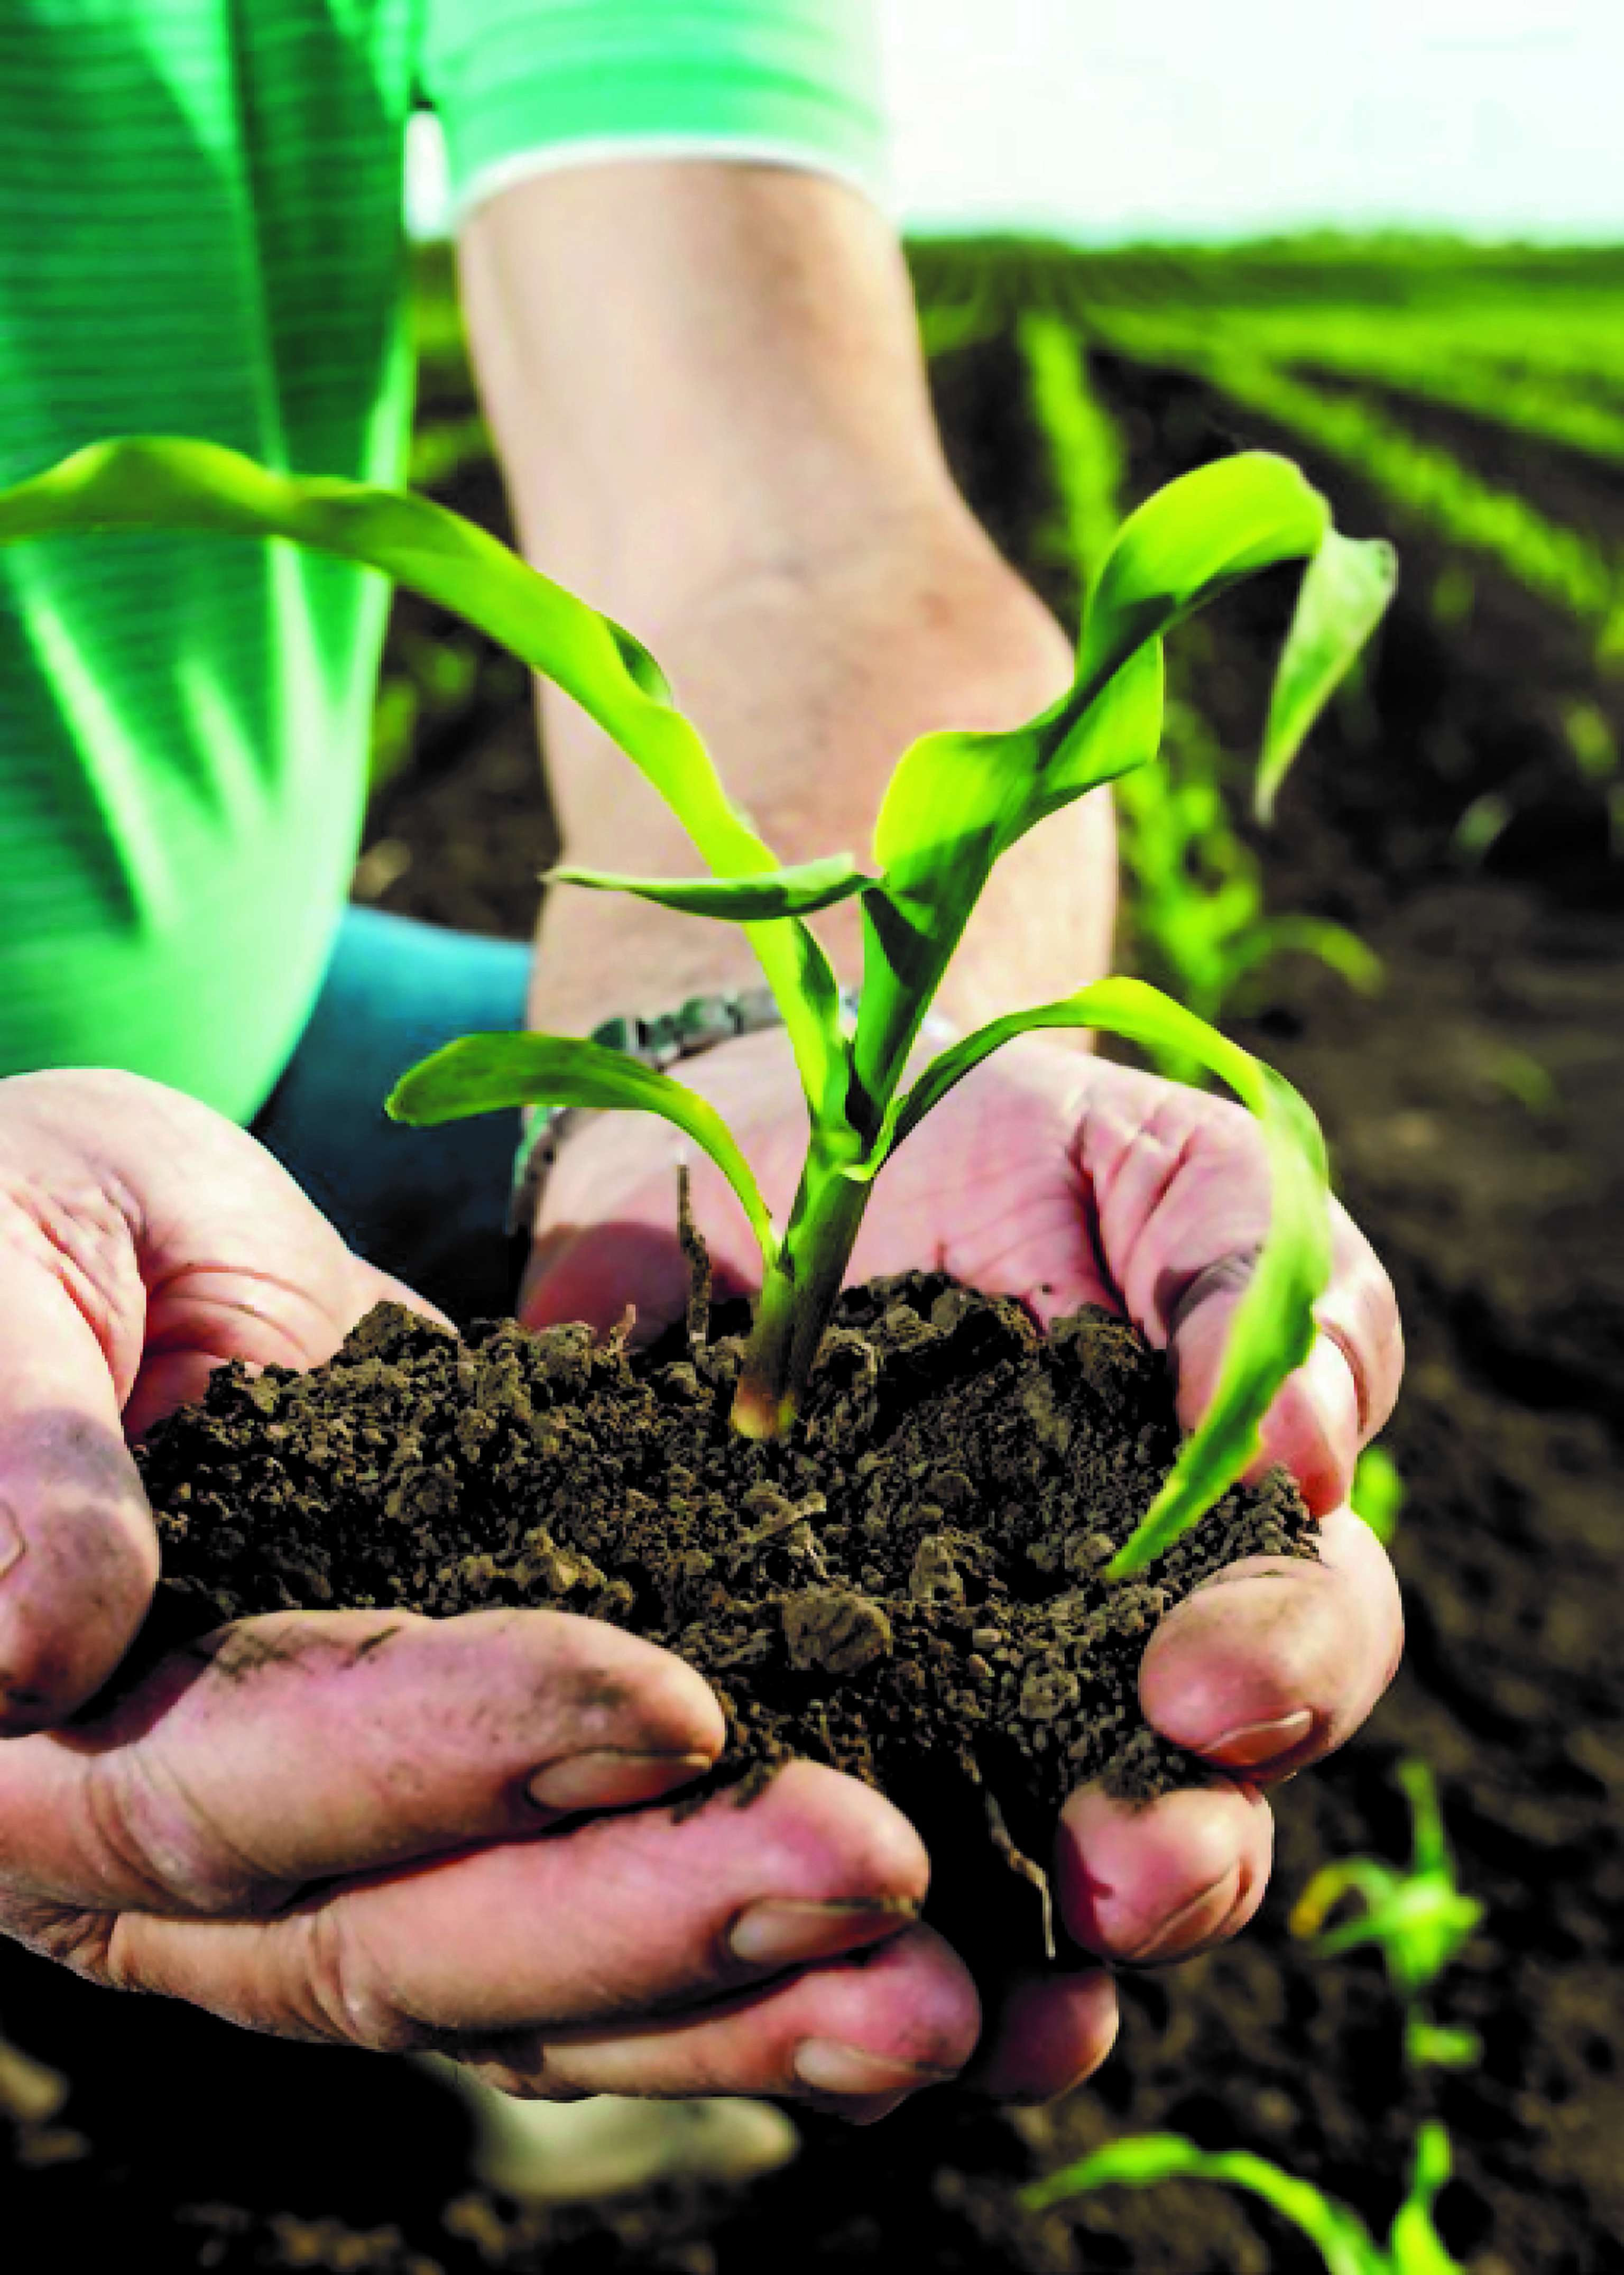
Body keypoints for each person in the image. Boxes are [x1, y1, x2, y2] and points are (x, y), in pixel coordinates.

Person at [0, 3, 1402, 2122]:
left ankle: (626, 1897)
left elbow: (782, 535)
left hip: (231, 1041)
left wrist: (768, 1038)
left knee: (558, 1572)